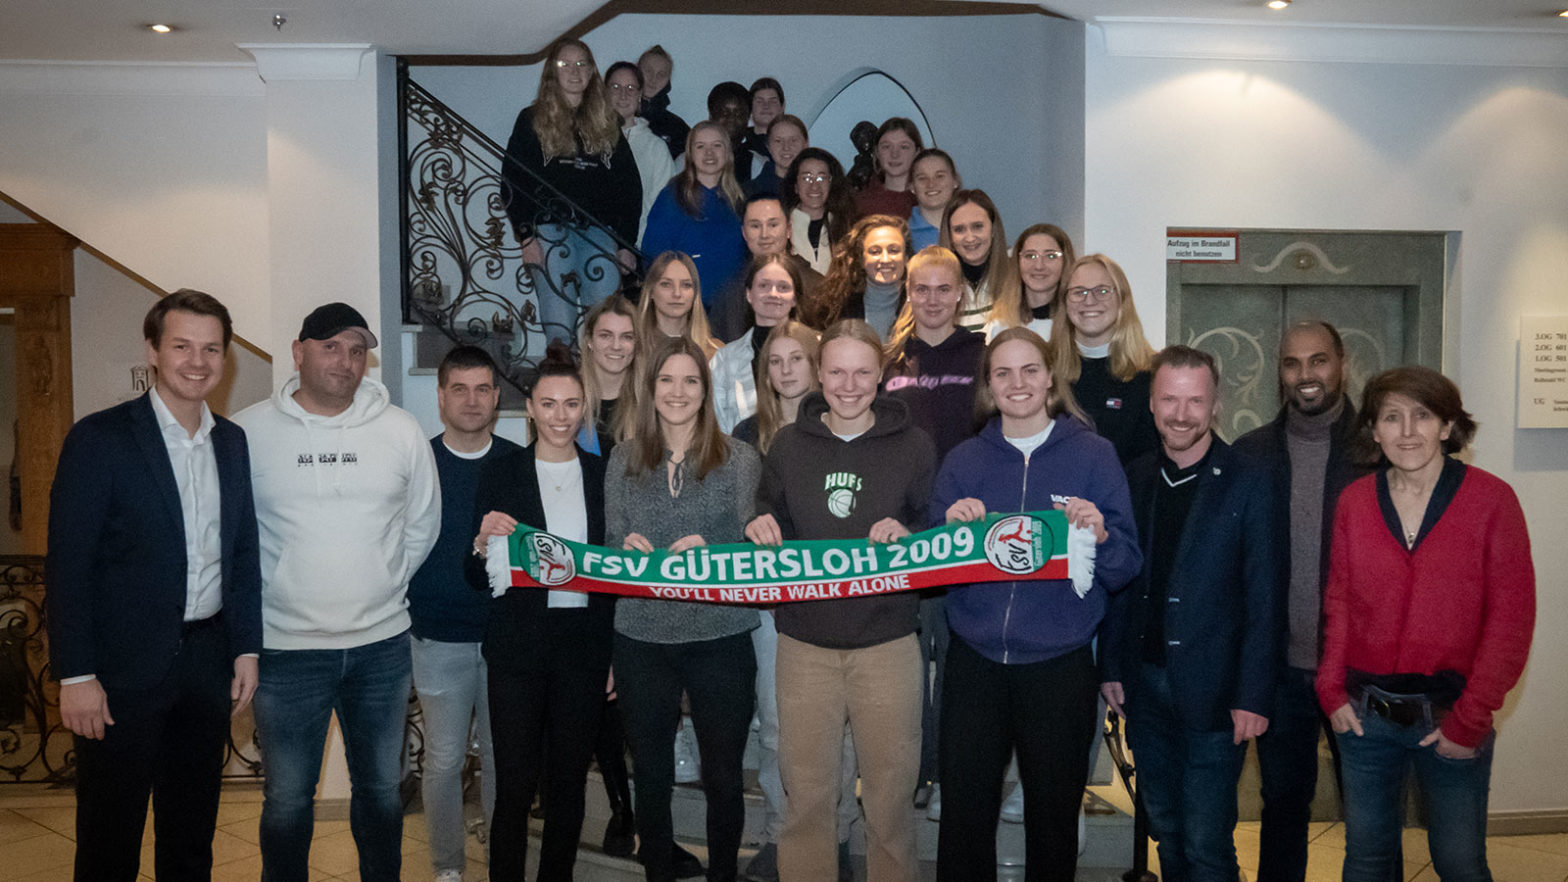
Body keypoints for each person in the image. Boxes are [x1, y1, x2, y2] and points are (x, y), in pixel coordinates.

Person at [47, 289, 262, 882]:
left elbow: (242, 553)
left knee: (192, 834)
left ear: (227, 358)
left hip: (206, 661)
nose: (198, 361)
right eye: (182, 346)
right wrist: (76, 674)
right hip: (117, 672)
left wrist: (245, 646)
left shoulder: (232, 442)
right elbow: (69, 564)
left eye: (212, 348)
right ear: (153, 350)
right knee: (109, 837)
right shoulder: (101, 439)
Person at [234, 302, 442, 882]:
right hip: (285, 651)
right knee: (288, 800)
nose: (345, 361)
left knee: (380, 791)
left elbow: (423, 523)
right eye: (330, 347)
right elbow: (233, 536)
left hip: (381, 649)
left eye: (356, 350)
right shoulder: (248, 433)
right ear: (298, 351)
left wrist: (381, 580)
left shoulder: (399, 431)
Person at [933, 327, 1142, 881]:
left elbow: (1126, 566)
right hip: (975, 664)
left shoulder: (1094, 456)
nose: (1017, 383)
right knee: (964, 817)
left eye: (1029, 370)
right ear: (988, 385)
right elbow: (928, 571)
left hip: (1060, 668)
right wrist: (947, 535)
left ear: (1051, 378)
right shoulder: (962, 461)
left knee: (1052, 821)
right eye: (1002, 372)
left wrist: (1101, 536)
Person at [1317, 366, 1534, 882]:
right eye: (1391, 417)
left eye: (1422, 416)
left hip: (1452, 716)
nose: (1407, 431)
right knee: (1366, 862)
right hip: (1364, 716)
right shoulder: (1355, 501)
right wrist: (1330, 689)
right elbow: (1340, 601)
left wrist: (1470, 719)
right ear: (1373, 430)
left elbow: (1511, 621)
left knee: (1459, 863)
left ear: (1447, 426)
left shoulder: (1491, 500)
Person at [747, 320, 938, 882]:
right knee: (806, 799)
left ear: (881, 375)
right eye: (835, 371)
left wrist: (912, 537)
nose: (848, 385)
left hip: (888, 644)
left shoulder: (915, 446)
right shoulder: (787, 445)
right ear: (817, 374)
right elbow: (769, 522)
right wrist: (757, 525)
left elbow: (938, 537)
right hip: (804, 646)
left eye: (861, 372)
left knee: (890, 801)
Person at [1099, 345, 1281, 882]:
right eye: (1169, 400)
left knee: (1207, 842)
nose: (1181, 414)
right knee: (1167, 830)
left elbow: (1265, 597)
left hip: (1218, 695)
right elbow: (1119, 585)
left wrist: (1253, 695)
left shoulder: (1251, 480)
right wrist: (1110, 666)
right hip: (1143, 688)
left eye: (1194, 401)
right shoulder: (1131, 478)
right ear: (1152, 405)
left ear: (1215, 404)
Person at [607, 336, 762, 882]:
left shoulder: (740, 459)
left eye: (690, 381)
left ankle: (723, 875)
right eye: (667, 380)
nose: (678, 392)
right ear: (650, 390)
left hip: (720, 634)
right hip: (642, 637)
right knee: (649, 773)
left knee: (722, 775)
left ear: (706, 390)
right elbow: (607, 547)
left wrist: (714, 553)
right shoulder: (623, 459)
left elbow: (753, 548)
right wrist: (620, 550)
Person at [467, 341, 615, 882]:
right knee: (513, 786)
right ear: (529, 408)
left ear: (585, 408)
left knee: (569, 784)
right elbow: (474, 574)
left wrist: (614, 655)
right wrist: (482, 543)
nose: (560, 416)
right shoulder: (503, 473)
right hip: (517, 651)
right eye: (548, 404)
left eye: (571, 404)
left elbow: (615, 575)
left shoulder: (605, 475)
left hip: (584, 647)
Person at [1231, 321, 1367, 882]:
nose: (1306, 375)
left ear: (1342, 364)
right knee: (1283, 809)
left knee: (1370, 818)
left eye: (1318, 361)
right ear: (1279, 372)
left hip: (1361, 674)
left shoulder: (1378, 451)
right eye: (1292, 363)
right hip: (1281, 672)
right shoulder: (1250, 454)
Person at [879, 246, 984, 817]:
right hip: (905, 533)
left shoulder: (985, 355)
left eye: (945, 289)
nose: (934, 299)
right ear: (908, 292)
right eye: (924, 289)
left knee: (958, 663)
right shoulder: (889, 360)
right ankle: (913, 773)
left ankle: (946, 773)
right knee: (907, 666)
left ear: (960, 294)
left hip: (967, 532)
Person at [408, 346, 517, 882]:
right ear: (441, 396)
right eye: (459, 389)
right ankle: (448, 868)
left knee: (501, 758)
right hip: (437, 637)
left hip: (504, 638)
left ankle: (502, 861)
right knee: (445, 759)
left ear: (497, 397)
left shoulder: (519, 464)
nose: (471, 401)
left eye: (482, 389)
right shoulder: (417, 462)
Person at [502, 38, 641, 344]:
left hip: (599, 232)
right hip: (549, 230)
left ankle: (599, 390)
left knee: (604, 326)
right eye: (566, 64)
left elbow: (629, 188)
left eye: (582, 64)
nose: (575, 72)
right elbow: (513, 180)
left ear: (592, 72)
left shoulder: (608, 122)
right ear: (553, 71)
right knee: (559, 326)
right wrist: (526, 236)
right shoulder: (531, 119)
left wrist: (626, 244)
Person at [1050, 254, 1160, 468]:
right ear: (1064, 302)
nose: (1089, 301)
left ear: (1122, 299)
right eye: (1078, 292)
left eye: (1102, 291)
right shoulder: (1043, 371)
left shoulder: (1154, 375)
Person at [641, 121, 748, 317]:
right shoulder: (672, 197)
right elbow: (655, 256)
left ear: (728, 152)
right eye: (701, 146)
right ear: (690, 153)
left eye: (717, 145)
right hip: (686, 310)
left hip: (731, 311)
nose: (709, 153)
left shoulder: (738, 201)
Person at [710, 193, 824, 342]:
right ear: (744, 233)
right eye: (755, 226)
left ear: (789, 229)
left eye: (773, 225)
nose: (764, 234)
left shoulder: (818, 287)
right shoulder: (728, 293)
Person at [710, 252, 803, 433]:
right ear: (749, 294)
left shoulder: (818, 351)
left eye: (783, 287)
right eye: (763, 285)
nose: (773, 294)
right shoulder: (724, 360)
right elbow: (717, 428)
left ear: (795, 298)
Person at [605, 61, 677, 242]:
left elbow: (663, 206)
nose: (623, 94)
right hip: (595, 245)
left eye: (630, 88)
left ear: (639, 95)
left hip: (638, 248)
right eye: (615, 87)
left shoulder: (656, 148)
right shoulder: (589, 141)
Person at [807, 214, 910, 337]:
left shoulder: (919, 306)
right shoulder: (835, 309)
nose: (885, 259)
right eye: (875, 252)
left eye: (893, 250)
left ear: (906, 258)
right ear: (861, 260)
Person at [939, 189, 1021, 333]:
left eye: (977, 227)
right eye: (959, 230)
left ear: (993, 229)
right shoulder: (937, 284)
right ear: (950, 236)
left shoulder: (1018, 274)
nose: (970, 238)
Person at [985, 224, 1076, 342]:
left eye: (1051, 256)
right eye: (1030, 256)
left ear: (1065, 261)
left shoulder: (1076, 324)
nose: (1039, 266)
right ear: (1017, 262)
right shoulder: (999, 324)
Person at [578, 294, 639, 453]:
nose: (616, 346)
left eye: (627, 337)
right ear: (590, 340)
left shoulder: (650, 403)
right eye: (606, 335)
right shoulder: (570, 401)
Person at [635, 250, 721, 362]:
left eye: (686, 285)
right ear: (650, 291)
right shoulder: (632, 348)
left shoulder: (716, 353)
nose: (677, 293)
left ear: (695, 293)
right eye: (666, 284)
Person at [781, 147, 854, 277]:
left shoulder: (848, 226)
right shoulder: (780, 226)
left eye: (821, 178)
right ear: (795, 186)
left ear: (831, 183)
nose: (814, 186)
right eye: (807, 178)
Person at [854, 118, 923, 220]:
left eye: (904, 147)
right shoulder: (858, 205)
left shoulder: (929, 199)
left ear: (917, 152)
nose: (894, 154)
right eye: (886, 147)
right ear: (877, 152)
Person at [637, 45, 688, 159]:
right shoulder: (613, 117)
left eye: (661, 74)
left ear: (668, 80)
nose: (653, 79)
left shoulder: (677, 128)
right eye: (648, 71)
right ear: (636, 72)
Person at [744, 114, 808, 199]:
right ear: (768, 146)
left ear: (806, 144)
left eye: (793, 140)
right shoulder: (748, 193)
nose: (786, 147)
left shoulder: (819, 190)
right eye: (778, 141)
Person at [907, 148, 959, 251]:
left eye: (939, 176)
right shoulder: (903, 235)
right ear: (912, 186)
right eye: (922, 178)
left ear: (955, 181)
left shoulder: (972, 226)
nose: (931, 184)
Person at [707, 81, 754, 184]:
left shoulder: (757, 164)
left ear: (747, 118)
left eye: (739, 113)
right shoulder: (688, 160)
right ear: (711, 116)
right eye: (724, 112)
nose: (731, 119)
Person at [743, 77, 786, 179]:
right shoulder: (739, 154)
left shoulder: (792, 150)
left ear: (782, 107)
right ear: (750, 107)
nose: (766, 106)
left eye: (773, 101)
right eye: (759, 101)